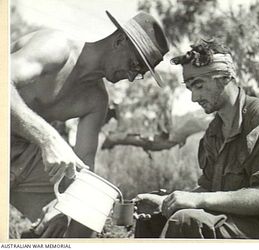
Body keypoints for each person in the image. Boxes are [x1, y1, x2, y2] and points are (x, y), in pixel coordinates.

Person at [10, 10, 169, 238]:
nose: (133, 77)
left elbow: (85, 168)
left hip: (26, 157)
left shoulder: (97, 100)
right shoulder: (57, 47)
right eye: (135, 64)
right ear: (120, 41)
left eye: (141, 73)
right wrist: (48, 138)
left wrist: (66, 207)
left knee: (85, 211)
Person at [133, 39, 259, 239]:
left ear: (223, 77)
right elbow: (209, 190)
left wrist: (198, 201)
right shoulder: (214, 131)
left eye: (199, 85)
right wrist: (167, 201)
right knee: (153, 220)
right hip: (235, 221)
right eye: (190, 87)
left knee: (186, 221)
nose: (194, 97)